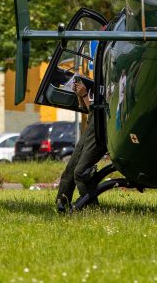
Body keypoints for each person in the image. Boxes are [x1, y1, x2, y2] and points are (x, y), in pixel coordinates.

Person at [56, 79, 107, 213]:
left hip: (99, 133)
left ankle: (91, 207)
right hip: (90, 129)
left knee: (80, 172)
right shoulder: (98, 84)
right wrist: (80, 95)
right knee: (70, 170)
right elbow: (88, 109)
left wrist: (84, 95)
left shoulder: (109, 85)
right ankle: (61, 203)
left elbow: (98, 114)